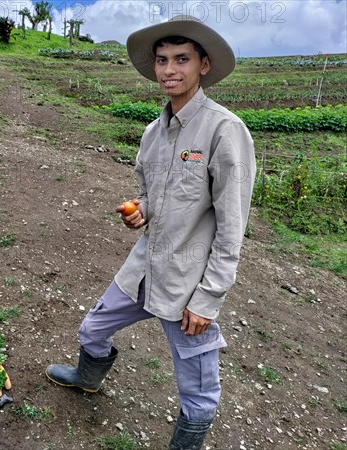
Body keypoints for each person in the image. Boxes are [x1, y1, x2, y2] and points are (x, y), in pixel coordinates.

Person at [45, 15, 256, 450]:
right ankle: (87, 378)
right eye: (162, 60)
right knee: (92, 329)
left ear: (204, 65)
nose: (169, 70)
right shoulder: (151, 134)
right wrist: (139, 211)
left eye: (182, 59)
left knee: (197, 387)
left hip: (187, 281)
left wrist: (209, 298)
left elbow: (232, 227)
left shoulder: (224, 130)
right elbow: (148, 195)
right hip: (144, 267)